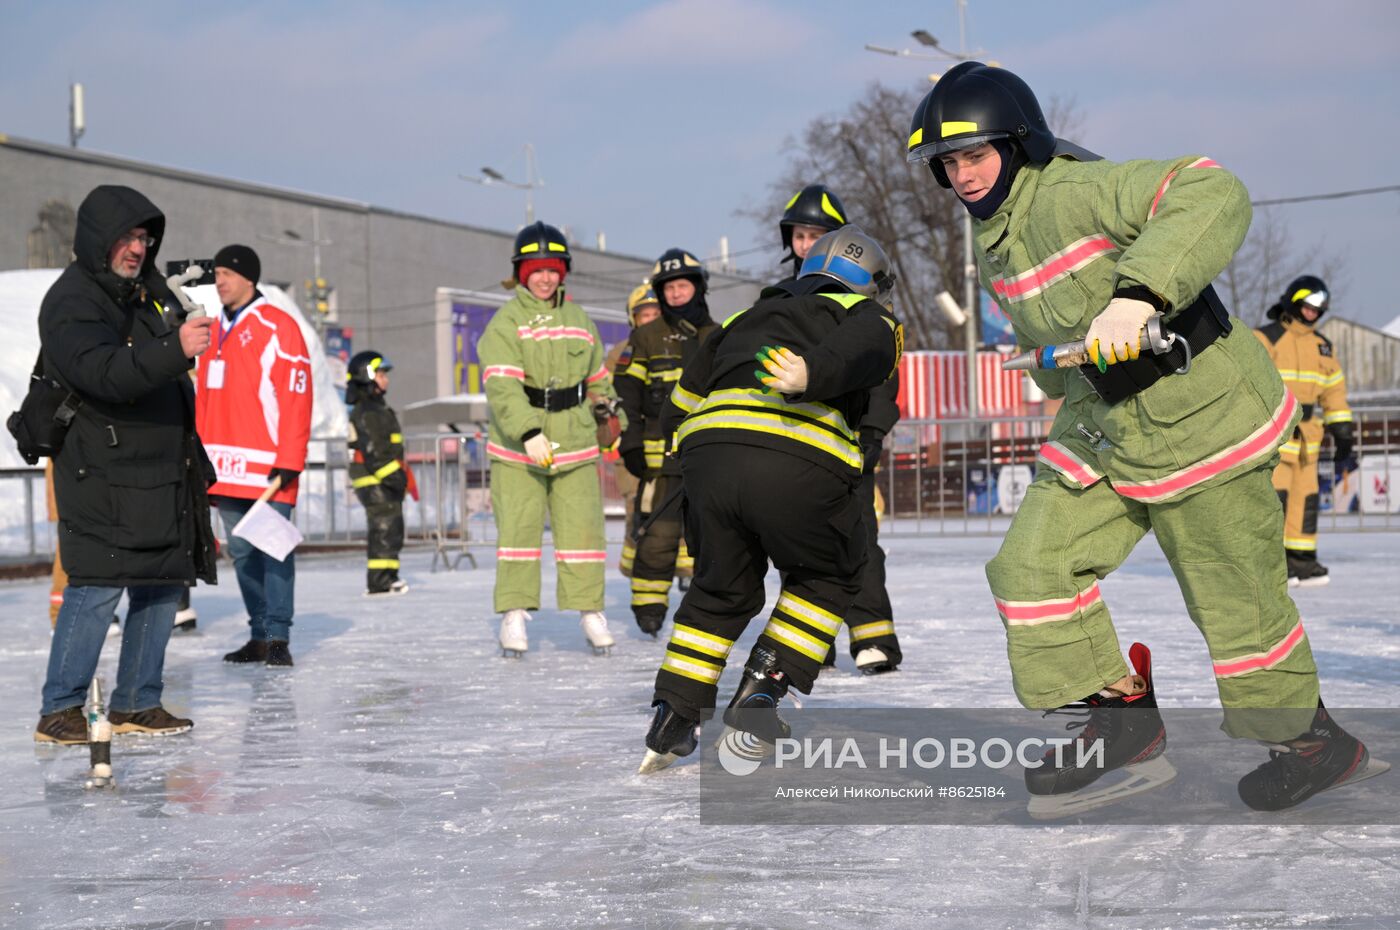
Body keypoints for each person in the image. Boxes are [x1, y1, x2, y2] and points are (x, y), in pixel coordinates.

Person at [907, 61, 1379, 811]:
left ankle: (1313, 743)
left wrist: (1138, 294)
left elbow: (1210, 187)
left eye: (976, 155)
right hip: (1105, 424)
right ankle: (1122, 718)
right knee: (1032, 569)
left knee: (1235, 605)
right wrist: (1051, 369)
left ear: (1020, 144)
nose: (962, 175)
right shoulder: (996, 235)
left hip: (1202, 419)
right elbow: (1072, 333)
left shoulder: (1071, 189)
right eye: (949, 162)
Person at [639, 226, 902, 773]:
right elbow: (867, 352)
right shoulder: (869, 316)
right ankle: (764, 687)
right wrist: (813, 374)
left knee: (719, 588)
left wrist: (689, 462)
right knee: (829, 574)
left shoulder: (739, 319)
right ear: (870, 284)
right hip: (798, 461)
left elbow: (680, 403)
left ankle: (674, 712)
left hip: (709, 458)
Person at [34, 184, 217, 744]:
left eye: (143, 236)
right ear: (97, 238)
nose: (137, 248)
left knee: (163, 579)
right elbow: (102, 371)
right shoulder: (72, 300)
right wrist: (176, 347)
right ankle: (59, 710)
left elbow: (163, 351)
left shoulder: (146, 292)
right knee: (98, 581)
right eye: (125, 236)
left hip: (159, 462)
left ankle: (137, 701)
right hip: (102, 468)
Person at [778, 184, 903, 674]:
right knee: (795, 540)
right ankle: (813, 640)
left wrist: (872, 432)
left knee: (858, 537)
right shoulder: (780, 299)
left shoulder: (864, 296)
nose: (806, 244)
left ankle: (874, 639)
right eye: (799, 235)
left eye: (816, 235)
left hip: (849, 437)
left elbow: (882, 369)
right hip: (795, 440)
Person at [478, 221, 618, 656]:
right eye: (536, 269)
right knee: (518, 532)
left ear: (564, 272)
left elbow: (598, 378)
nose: (545, 277)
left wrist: (610, 413)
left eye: (553, 269)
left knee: (584, 533)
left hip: (574, 440)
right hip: (518, 448)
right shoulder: (506, 322)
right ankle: (514, 616)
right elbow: (501, 385)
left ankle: (590, 611)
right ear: (522, 273)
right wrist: (528, 430)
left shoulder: (579, 320)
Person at [195, 245, 313, 668]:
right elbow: (202, 400)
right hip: (224, 469)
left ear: (249, 277)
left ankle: (278, 635)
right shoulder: (208, 329)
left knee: (274, 549)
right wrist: (199, 459)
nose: (220, 280)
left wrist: (290, 457)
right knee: (243, 552)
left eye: (227, 272)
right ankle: (259, 634)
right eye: (218, 273)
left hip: (269, 466)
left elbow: (297, 395)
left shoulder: (278, 326)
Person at [615, 248, 716, 637]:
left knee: (710, 535)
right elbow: (626, 394)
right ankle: (648, 607)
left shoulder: (718, 335)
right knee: (657, 534)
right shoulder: (645, 338)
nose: (675, 293)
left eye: (682, 285)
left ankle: (706, 607)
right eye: (668, 287)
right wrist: (632, 442)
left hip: (707, 456)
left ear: (698, 287)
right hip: (658, 458)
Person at [1255, 276, 1354, 587]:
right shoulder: (1266, 338)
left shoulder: (1322, 346)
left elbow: (1334, 391)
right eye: (1309, 305)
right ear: (1293, 302)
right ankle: (1272, 565)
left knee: (1306, 500)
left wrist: (1343, 429)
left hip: (1308, 438)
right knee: (1275, 500)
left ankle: (1302, 561)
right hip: (1275, 434)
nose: (1313, 312)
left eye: (1319, 307)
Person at [346, 350, 410, 596]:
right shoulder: (367, 411)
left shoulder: (377, 408)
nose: (386, 380)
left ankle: (388, 577)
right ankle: (379, 581)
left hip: (383, 478)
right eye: (381, 375)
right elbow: (375, 452)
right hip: (375, 479)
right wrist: (395, 477)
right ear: (367, 376)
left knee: (391, 526)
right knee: (384, 527)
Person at [610, 284, 661, 580]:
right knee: (637, 512)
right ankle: (638, 574)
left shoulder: (675, 345)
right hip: (634, 446)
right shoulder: (621, 354)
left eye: (657, 314)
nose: (651, 320)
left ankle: (683, 571)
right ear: (633, 319)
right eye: (645, 315)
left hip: (667, 446)